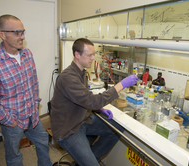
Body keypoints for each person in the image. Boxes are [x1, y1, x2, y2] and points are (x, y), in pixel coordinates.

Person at [50, 38, 138, 166]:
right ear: (77, 55)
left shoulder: (81, 73)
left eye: (93, 54)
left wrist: (99, 109)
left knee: (116, 128)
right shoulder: (68, 78)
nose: (93, 58)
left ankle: (89, 160)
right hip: (68, 130)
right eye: (89, 55)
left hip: (81, 121)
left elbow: (85, 99)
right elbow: (93, 101)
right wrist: (121, 85)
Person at [0, 14, 52, 166]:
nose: (22, 36)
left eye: (23, 31)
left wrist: (35, 104)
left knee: (43, 142)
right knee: (14, 156)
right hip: (12, 121)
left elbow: (34, 83)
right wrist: (10, 121)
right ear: (2, 35)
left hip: (32, 115)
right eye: (16, 32)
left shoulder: (27, 54)